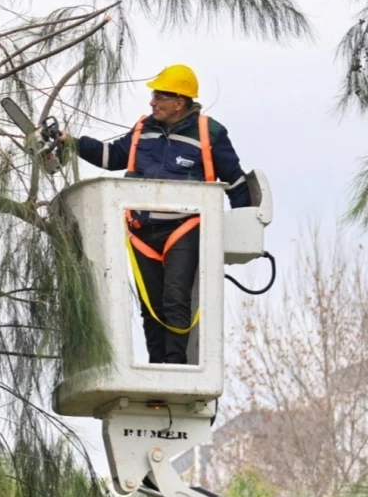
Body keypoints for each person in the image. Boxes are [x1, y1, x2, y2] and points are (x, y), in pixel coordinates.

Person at [70, 64, 250, 365]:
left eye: (159, 96)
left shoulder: (210, 132)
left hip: (185, 227)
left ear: (179, 102)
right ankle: (158, 366)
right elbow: (112, 156)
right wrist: (71, 143)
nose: (152, 102)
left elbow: (236, 181)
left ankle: (176, 366)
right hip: (141, 230)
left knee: (175, 299)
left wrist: (244, 231)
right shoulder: (144, 129)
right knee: (150, 305)